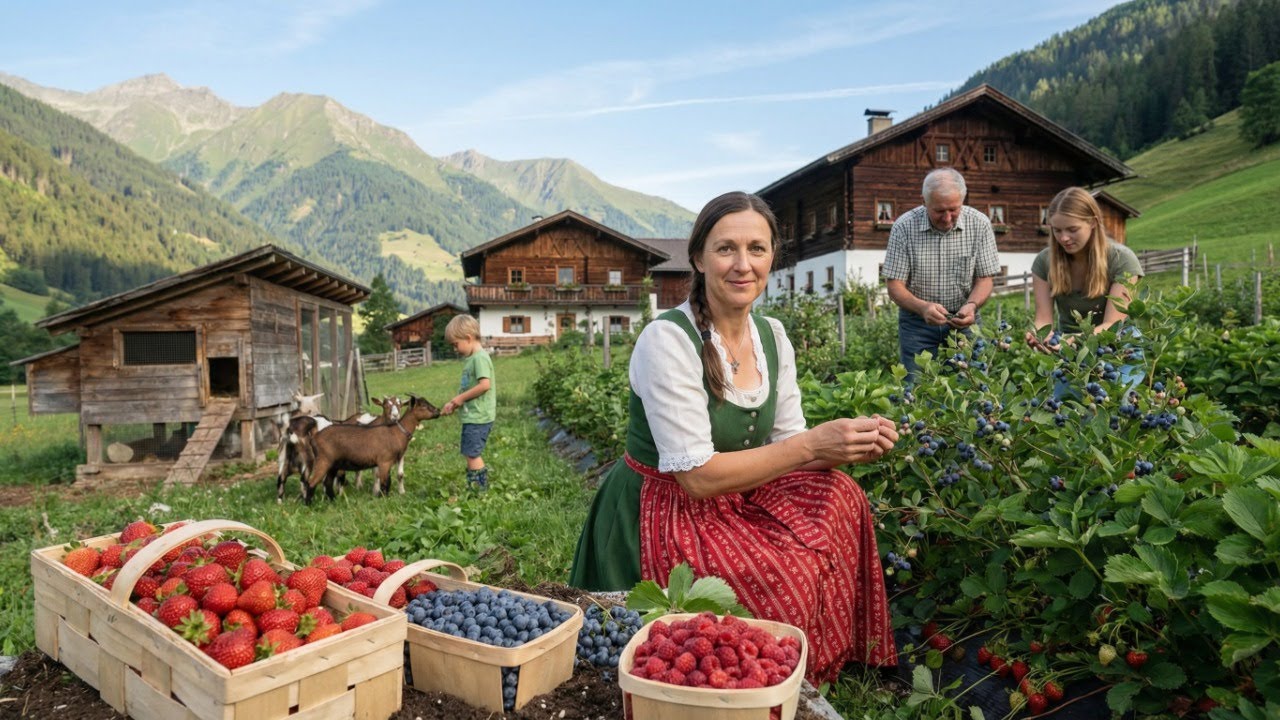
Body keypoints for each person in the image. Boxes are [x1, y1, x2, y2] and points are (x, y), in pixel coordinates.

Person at [569, 191, 900, 684]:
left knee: (843, 496)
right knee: (781, 571)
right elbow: (697, 478)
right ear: (699, 258)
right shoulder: (669, 339)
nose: (743, 265)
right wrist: (812, 446)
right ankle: (765, 670)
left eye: (757, 249)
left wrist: (848, 442)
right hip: (667, 504)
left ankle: (835, 653)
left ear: (772, 258)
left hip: (741, 493)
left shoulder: (772, 335)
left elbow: (789, 441)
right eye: (726, 249)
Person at [883, 167, 1001, 378]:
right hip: (917, 323)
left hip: (964, 321)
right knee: (917, 388)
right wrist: (923, 308)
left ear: (962, 200)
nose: (947, 218)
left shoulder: (980, 224)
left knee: (972, 386)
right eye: (939, 211)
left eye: (954, 209)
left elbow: (985, 278)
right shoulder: (903, 227)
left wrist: (972, 305)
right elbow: (895, 286)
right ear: (924, 202)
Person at [1025, 186, 1144, 350]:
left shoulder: (1122, 260)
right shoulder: (1044, 261)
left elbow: (1112, 325)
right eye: (1057, 230)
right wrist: (1038, 334)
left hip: (1117, 347)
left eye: (1072, 229)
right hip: (1066, 342)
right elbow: (1043, 319)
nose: (1064, 238)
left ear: (1093, 222)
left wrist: (1073, 341)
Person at [441, 314, 495, 490]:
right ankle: (476, 487)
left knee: (472, 454)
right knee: (470, 452)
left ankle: (479, 490)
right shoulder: (472, 359)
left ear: (468, 338)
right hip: (472, 415)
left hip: (479, 417)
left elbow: (485, 385)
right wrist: (455, 403)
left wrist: (459, 399)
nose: (455, 349)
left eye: (456, 344)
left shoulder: (480, 358)